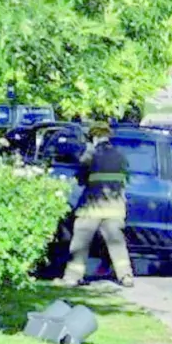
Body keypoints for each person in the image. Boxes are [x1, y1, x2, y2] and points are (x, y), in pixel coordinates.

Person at [57, 123, 134, 288]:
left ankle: (72, 277)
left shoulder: (91, 154)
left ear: (94, 136)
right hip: (115, 208)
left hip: (93, 207)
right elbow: (125, 179)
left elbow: (81, 177)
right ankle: (126, 276)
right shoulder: (121, 155)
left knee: (81, 240)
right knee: (117, 243)